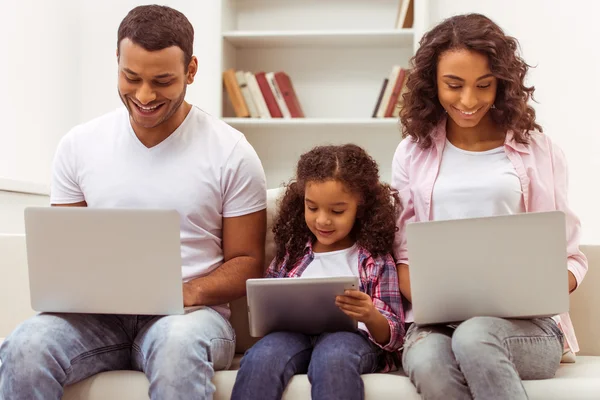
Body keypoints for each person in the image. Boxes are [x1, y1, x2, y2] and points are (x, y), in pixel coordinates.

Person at [0, 5, 267, 400]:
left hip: (189, 318)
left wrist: (186, 292)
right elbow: (65, 253)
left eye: (162, 81)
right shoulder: (79, 146)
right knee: (24, 347)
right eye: (131, 77)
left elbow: (248, 262)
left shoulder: (232, 152)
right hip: (95, 319)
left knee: (177, 349)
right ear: (118, 62)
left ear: (191, 71)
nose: (144, 96)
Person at [391, 13, 588, 400]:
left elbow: (571, 259)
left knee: (476, 334)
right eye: (454, 85)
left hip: (526, 328)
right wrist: (440, 301)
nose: (469, 101)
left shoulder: (539, 150)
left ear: (502, 82)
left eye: (484, 85)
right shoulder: (412, 153)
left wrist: (541, 288)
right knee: (431, 361)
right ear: (433, 83)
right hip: (435, 326)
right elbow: (403, 255)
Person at [231, 144, 405, 400]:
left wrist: (369, 315)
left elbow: (395, 336)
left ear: (360, 207)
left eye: (337, 211)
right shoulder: (293, 252)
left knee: (333, 356)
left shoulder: (374, 259)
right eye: (312, 208)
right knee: (262, 356)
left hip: (352, 340)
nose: (322, 220)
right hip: (292, 336)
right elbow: (266, 300)